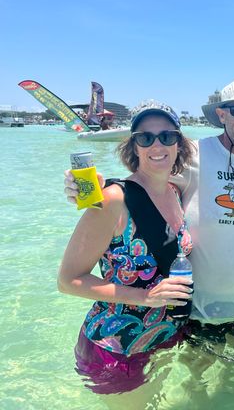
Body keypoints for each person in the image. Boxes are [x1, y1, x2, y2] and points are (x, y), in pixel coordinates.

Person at [65, 78, 234, 346]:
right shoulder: (195, 152)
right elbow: (145, 179)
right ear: (221, 114)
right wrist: (89, 188)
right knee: (197, 385)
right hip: (199, 313)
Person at [58, 100, 195, 398]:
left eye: (167, 136)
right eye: (145, 138)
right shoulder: (112, 200)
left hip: (164, 336)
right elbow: (68, 281)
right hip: (116, 348)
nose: (157, 144)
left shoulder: (177, 191)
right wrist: (144, 297)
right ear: (134, 147)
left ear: (178, 145)